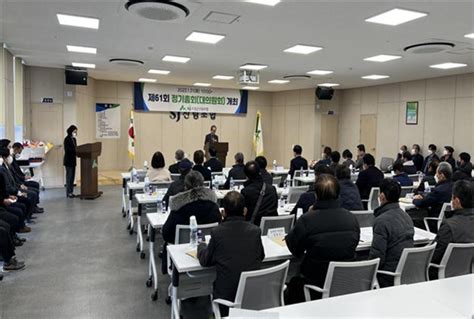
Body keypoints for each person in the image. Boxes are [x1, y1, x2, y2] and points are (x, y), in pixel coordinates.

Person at [285, 175, 360, 303]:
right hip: (345, 283)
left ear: (316, 195)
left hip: (315, 281)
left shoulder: (307, 220)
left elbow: (295, 249)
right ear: (338, 194)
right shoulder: (352, 219)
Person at [198, 191, 264, 317]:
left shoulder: (217, 233)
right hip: (253, 295)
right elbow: (261, 256)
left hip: (227, 298)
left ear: (223, 212)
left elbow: (206, 261)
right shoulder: (255, 231)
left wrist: (201, 246)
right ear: (244, 211)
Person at [161, 170, 221, 274]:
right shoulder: (214, 207)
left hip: (180, 256)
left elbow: (166, 233)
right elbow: (219, 228)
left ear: (185, 186)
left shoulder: (178, 207)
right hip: (208, 255)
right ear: (203, 184)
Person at [369, 179, 414, 287]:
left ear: (382, 196)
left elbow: (377, 257)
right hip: (406, 272)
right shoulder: (406, 216)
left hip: (387, 276)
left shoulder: (381, 221)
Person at [430, 180, 473, 269]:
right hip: (469, 273)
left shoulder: (449, 226)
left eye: (452, 198)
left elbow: (434, 256)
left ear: (456, 200)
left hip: (444, 275)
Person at [412, 162, 453, 229]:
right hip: (449, 223)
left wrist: (414, 200)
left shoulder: (438, 190)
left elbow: (422, 203)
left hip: (434, 222)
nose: (435, 175)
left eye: (437, 173)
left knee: (411, 221)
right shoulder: (454, 187)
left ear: (442, 175)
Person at [241, 161, 278, 226]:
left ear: (246, 176)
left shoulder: (245, 192)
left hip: (254, 228)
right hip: (272, 227)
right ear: (259, 172)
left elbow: (243, 213)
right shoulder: (272, 189)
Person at [63, 125, 77, 198]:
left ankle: (71, 192)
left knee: (72, 178)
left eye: (76, 131)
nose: (75, 133)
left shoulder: (74, 139)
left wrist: (78, 151)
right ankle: (68, 193)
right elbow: (67, 150)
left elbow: (76, 148)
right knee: (69, 177)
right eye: (74, 131)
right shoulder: (67, 139)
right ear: (70, 131)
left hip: (73, 161)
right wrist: (75, 151)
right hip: (68, 161)